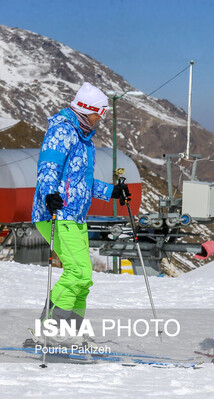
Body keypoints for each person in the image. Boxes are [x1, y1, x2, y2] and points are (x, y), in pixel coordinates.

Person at [31, 82, 130, 342]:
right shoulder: (62, 131)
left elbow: (81, 184)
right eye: (101, 112)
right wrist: (49, 194)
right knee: (78, 272)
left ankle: (71, 331)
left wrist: (111, 192)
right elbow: (48, 167)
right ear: (88, 109)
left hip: (74, 214)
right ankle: (48, 331)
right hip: (56, 212)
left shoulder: (84, 138)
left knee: (84, 277)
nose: (103, 118)